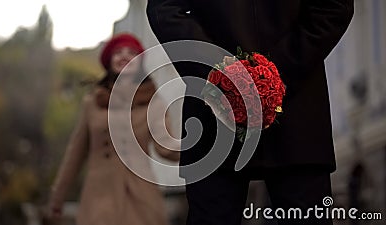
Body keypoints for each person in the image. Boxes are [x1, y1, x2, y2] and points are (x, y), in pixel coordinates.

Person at [147, 1, 354, 224]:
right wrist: (268, 73)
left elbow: (164, 11)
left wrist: (223, 74)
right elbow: (334, 8)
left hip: (218, 112)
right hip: (294, 108)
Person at [48, 33, 180, 225]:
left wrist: (202, 146)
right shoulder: (93, 103)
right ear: (109, 61)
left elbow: (165, 146)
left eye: (131, 53)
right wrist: (57, 199)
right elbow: (75, 154)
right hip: (98, 197)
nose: (124, 56)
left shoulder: (153, 102)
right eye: (118, 52)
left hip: (141, 197)